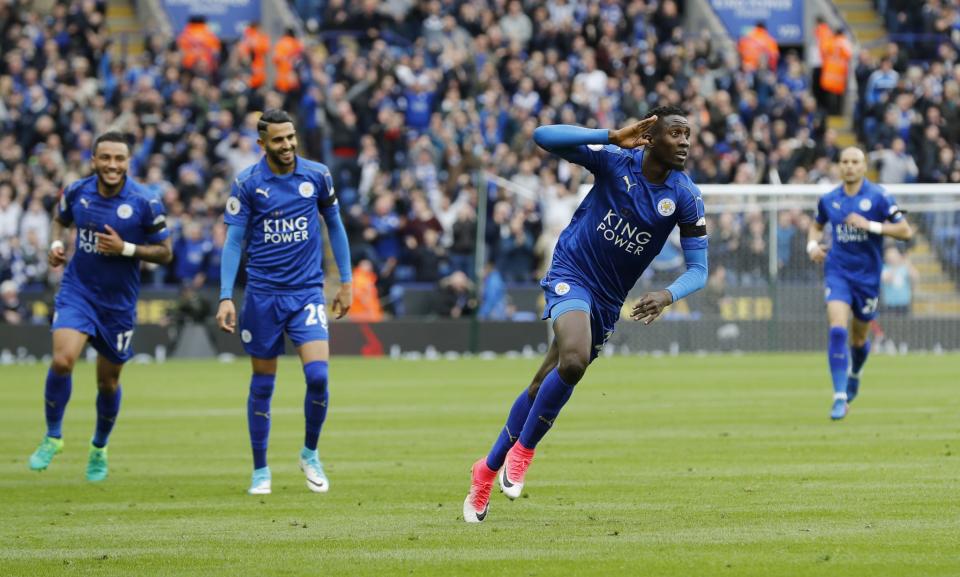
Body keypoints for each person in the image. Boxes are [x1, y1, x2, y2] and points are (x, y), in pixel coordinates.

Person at [463, 106, 709, 523]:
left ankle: (486, 469)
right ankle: (524, 450)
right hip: (571, 273)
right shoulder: (615, 161)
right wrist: (611, 135)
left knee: (545, 379)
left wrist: (667, 295)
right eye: (676, 133)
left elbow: (699, 269)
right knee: (573, 359)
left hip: (609, 300)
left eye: (689, 134)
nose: (685, 141)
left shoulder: (684, 195)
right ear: (651, 135)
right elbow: (543, 134)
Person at [216, 109, 352, 495]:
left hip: (307, 292)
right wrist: (226, 296)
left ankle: (310, 453)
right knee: (263, 382)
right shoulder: (246, 184)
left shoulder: (317, 175)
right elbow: (233, 242)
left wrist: (346, 281)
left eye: (290, 136)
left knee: (319, 376)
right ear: (262, 144)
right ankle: (260, 469)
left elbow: (336, 226)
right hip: (262, 296)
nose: (288, 144)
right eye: (278, 139)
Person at [27, 132, 172, 481]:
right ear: (93, 160)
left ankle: (99, 446)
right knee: (63, 360)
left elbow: (165, 252)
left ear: (128, 162)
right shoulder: (77, 191)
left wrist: (126, 249)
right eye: (105, 158)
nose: (112, 165)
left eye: (119, 159)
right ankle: (53, 436)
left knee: (107, 383)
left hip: (118, 304)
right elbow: (60, 220)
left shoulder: (145, 201)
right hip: (78, 291)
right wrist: (57, 244)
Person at [807, 147, 913, 420]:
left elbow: (905, 230)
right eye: (845, 162)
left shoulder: (879, 196)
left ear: (864, 166)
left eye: (855, 162)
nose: (849, 166)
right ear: (839, 167)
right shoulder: (829, 199)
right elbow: (816, 225)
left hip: (867, 278)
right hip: (837, 272)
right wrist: (811, 246)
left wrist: (871, 226)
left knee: (859, 338)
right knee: (838, 330)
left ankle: (854, 374)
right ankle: (840, 397)